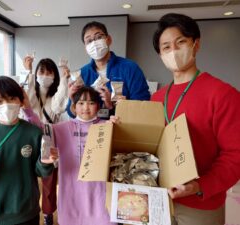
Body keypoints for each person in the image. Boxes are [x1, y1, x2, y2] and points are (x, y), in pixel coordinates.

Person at [151, 13, 240, 225]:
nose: (173, 51)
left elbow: (235, 155)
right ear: (160, 55)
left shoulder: (223, 94)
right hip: (158, 200)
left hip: (201, 205)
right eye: (166, 47)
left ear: (195, 44)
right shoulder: (156, 98)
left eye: (180, 42)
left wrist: (200, 186)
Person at [0, 76, 57, 225]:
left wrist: (45, 163)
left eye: (12, 98)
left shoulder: (33, 133)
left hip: (27, 213)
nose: (6, 105)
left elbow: (42, 172)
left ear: (21, 101)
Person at [25, 86, 117, 225]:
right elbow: (38, 127)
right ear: (73, 107)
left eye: (91, 103)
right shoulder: (61, 128)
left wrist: (118, 121)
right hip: (71, 190)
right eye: (80, 103)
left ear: (98, 106)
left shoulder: (107, 126)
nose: (86, 107)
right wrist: (27, 109)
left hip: (99, 191)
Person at [66, 21, 150, 118]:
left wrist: (115, 105)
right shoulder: (82, 74)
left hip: (123, 129)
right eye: (89, 41)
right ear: (86, 47)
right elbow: (71, 114)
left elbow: (144, 105)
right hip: (91, 130)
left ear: (108, 39)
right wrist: (72, 100)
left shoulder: (130, 68)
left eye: (99, 37)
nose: (94, 43)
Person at [23, 56, 69, 225]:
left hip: (49, 139)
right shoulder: (32, 92)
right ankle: (29, 210)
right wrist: (28, 71)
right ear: (36, 74)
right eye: (41, 71)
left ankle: (48, 213)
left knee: (49, 180)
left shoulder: (56, 94)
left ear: (54, 76)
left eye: (49, 72)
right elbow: (27, 102)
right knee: (27, 178)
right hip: (28, 137)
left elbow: (59, 106)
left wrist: (64, 79)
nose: (45, 75)